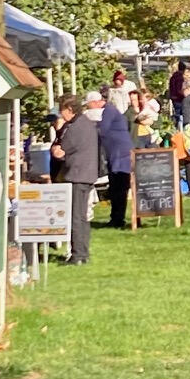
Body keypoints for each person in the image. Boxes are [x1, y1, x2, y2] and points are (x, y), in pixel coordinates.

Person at [50, 94, 99, 263]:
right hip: (86, 174)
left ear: (69, 109)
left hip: (77, 175)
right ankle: (83, 253)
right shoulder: (86, 123)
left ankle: (78, 255)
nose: (60, 114)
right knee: (82, 216)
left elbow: (61, 151)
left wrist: (56, 144)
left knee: (76, 216)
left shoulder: (75, 127)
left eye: (61, 109)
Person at [93, 88, 133, 228]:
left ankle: (118, 219)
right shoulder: (110, 111)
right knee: (116, 187)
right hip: (115, 155)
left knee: (119, 188)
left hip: (120, 156)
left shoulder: (109, 111)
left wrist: (92, 125)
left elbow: (102, 130)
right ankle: (115, 217)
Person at [167, 60, 188, 125]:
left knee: (177, 113)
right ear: (184, 69)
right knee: (180, 115)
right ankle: (180, 127)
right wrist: (185, 96)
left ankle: (178, 125)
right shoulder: (180, 77)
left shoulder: (173, 77)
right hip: (179, 99)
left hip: (173, 97)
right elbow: (179, 89)